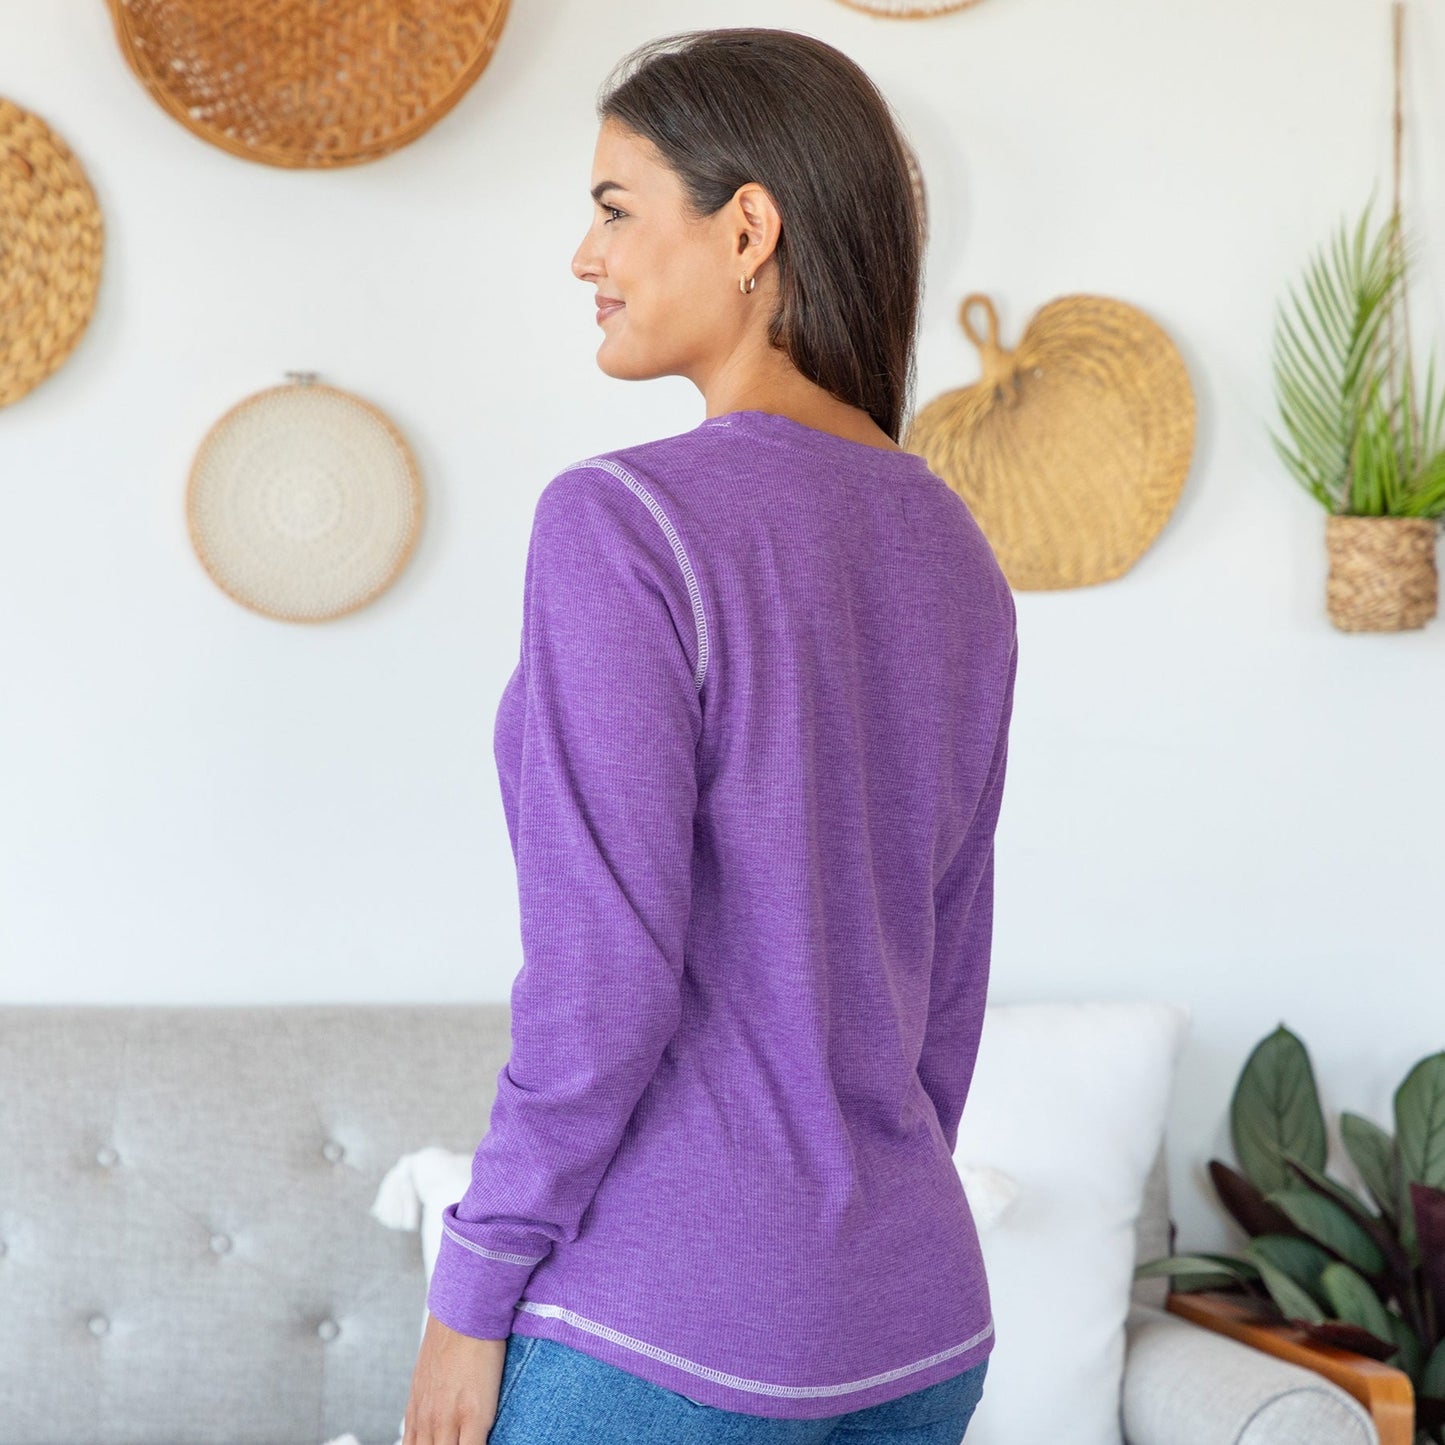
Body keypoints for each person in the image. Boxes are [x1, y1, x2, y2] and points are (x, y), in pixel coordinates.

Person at [402, 26, 1018, 1445]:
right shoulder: (955, 549)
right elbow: (947, 976)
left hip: (673, 1336)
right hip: (914, 1320)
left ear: (747, 228)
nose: (585, 255)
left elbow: (600, 985)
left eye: (616, 208)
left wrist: (470, 1286)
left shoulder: (621, 522)